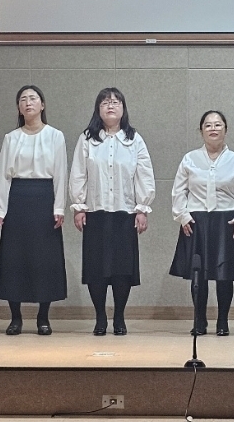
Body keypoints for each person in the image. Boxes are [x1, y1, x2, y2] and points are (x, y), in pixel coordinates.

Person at [69, 88, 155, 336]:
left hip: (125, 214)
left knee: (121, 270)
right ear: (98, 109)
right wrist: (79, 206)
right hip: (95, 213)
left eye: (116, 102)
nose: (110, 106)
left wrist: (142, 209)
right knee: (96, 270)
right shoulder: (87, 139)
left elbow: (144, 175)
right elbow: (78, 174)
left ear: (123, 108)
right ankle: (100, 317)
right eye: (105, 102)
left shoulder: (134, 139)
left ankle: (119, 316)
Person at [0, 85, 68, 336]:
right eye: (23, 99)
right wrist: (0, 208)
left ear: (42, 105)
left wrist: (59, 207)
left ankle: (43, 317)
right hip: (18, 199)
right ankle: (15, 318)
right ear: (18, 107)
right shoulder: (11, 138)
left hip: (45, 198)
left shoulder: (55, 136)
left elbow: (61, 174)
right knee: (14, 258)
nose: (28, 103)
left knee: (44, 259)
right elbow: (3, 175)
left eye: (33, 98)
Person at [170, 110, 234, 337]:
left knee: (225, 275)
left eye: (218, 125)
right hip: (196, 221)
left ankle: (223, 321)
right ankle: (199, 320)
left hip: (227, 221)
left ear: (226, 129)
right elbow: (179, 191)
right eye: (208, 125)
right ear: (201, 131)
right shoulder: (189, 159)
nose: (213, 129)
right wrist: (183, 216)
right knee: (199, 275)